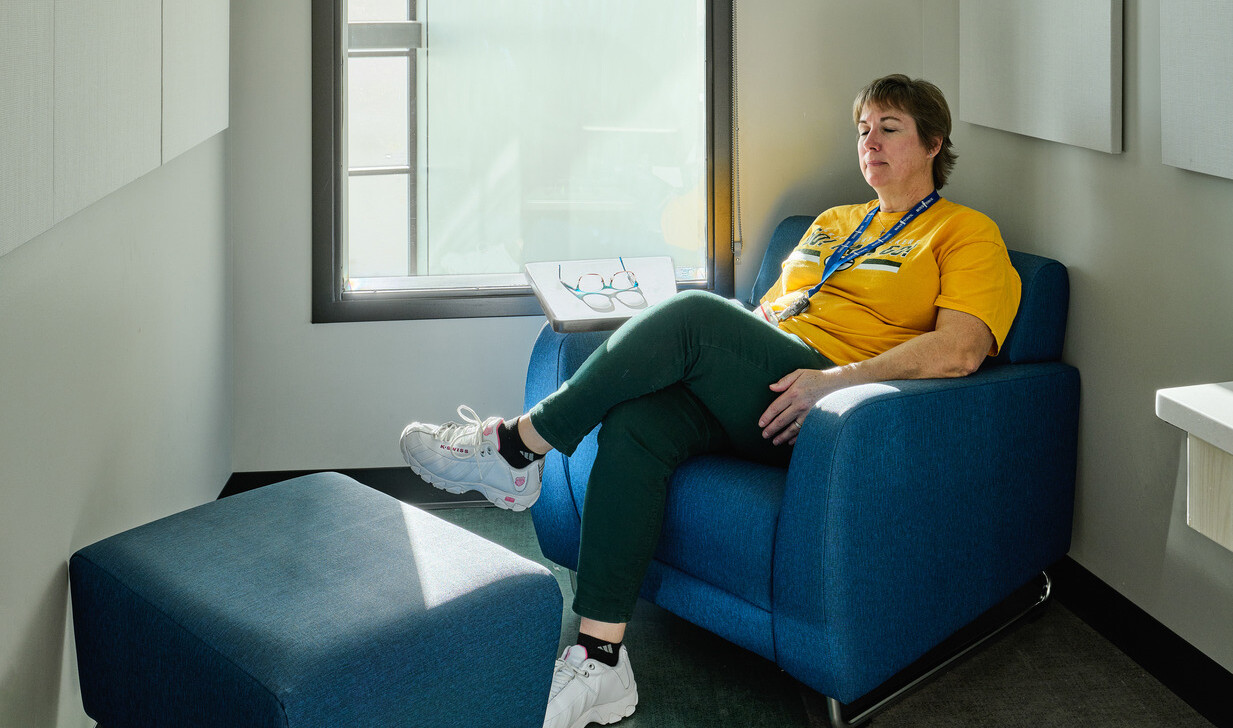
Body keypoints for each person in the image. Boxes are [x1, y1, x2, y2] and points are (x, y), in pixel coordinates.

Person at [399, 74, 1021, 728]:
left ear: (933, 142)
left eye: (888, 127)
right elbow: (772, 315)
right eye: (862, 129)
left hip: (834, 403)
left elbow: (960, 349)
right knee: (636, 424)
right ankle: (601, 658)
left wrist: (836, 381)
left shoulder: (964, 231)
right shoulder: (832, 223)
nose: (869, 141)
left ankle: (516, 447)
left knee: (694, 312)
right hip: (767, 380)